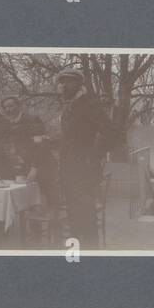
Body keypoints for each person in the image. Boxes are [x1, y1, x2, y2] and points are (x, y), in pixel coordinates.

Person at [53, 69, 112, 249]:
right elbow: (72, 137)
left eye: (69, 82)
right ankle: (77, 249)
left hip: (84, 169)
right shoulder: (70, 106)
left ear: (79, 84)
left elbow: (111, 131)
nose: (64, 86)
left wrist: (94, 156)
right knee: (73, 211)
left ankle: (92, 251)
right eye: (62, 82)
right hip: (69, 168)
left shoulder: (89, 104)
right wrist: (52, 142)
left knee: (86, 212)